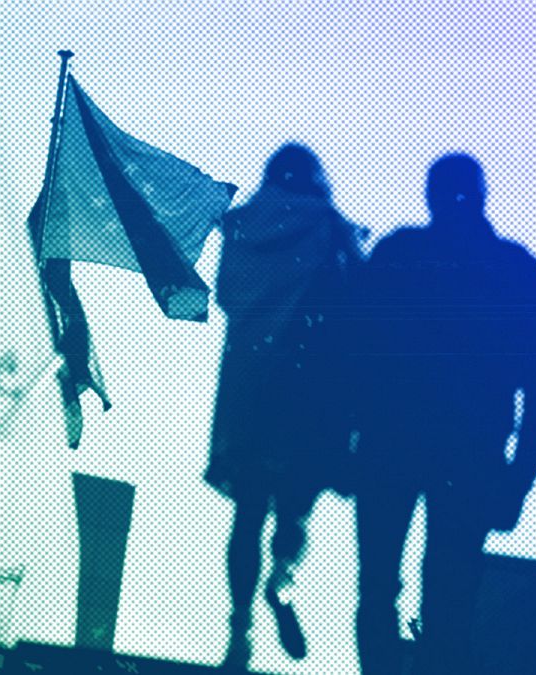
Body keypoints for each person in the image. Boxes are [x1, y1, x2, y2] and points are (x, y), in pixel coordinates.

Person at [352, 154, 536, 674]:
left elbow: (350, 356)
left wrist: (340, 442)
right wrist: (518, 480)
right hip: (468, 457)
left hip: (391, 448)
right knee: (448, 598)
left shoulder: (398, 255)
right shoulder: (516, 271)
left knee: (379, 589)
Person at [207, 144, 364, 669]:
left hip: (249, 387)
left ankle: (240, 628)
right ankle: (283, 580)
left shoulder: (242, 227)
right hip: (307, 391)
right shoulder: (327, 226)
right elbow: (356, 300)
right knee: (295, 507)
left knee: (248, 512)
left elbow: (227, 296)